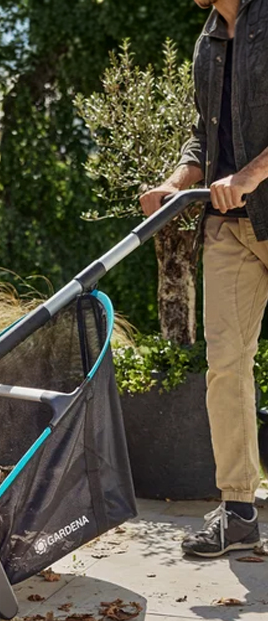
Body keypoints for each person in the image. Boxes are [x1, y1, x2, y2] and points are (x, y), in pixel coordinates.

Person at [140, 0, 268, 557]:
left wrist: (250, 175)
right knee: (226, 365)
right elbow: (202, 134)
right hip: (227, 224)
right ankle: (238, 512)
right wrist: (175, 183)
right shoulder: (208, 39)